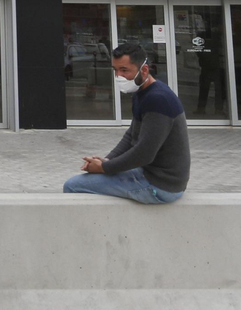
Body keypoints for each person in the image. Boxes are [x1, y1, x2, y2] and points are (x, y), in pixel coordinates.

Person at [64, 42, 189, 204]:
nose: (119, 76)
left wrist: (103, 168)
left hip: (161, 186)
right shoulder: (142, 92)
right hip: (152, 175)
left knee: (73, 186)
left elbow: (144, 153)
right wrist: (107, 161)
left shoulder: (158, 99)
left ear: (144, 70)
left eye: (124, 70)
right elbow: (131, 135)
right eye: (115, 70)